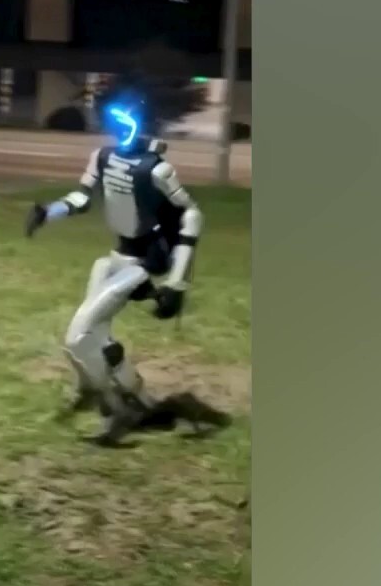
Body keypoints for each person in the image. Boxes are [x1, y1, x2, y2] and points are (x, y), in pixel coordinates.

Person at [25, 91, 231, 447]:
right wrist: (48, 212)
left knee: (77, 337)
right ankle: (137, 399)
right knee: (97, 336)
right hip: (115, 258)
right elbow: (81, 198)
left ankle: (116, 407)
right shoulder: (103, 156)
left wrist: (176, 283)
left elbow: (191, 214)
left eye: (127, 121)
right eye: (116, 121)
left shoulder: (157, 170)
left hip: (140, 265)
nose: (120, 128)